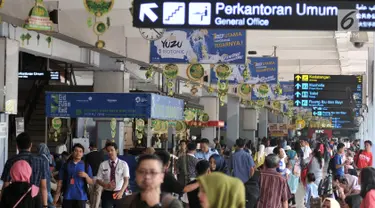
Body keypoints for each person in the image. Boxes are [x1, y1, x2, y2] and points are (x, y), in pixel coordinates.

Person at [1, 132, 48, 208]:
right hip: (34, 200)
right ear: (31, 145)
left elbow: (5, 185)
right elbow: (43, 187)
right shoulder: (40, 161)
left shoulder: (11, 161)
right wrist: (45, 205)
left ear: (17, 146)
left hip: (14, 200)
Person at [53, 143, 93, 208]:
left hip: (81, 197)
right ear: (72, 152)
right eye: (76, 151)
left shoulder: (86, 166)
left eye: (80, 151)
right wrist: (56, 196)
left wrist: (86, 176)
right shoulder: (66, 165)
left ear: (82, 154)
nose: (78, 153)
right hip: (68, 196)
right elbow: (60, 182)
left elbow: (91, 182)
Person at [96, 142, 130, 208]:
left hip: (119, 193)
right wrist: (105, 185)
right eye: (108, 151)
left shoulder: (123, 164)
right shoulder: (103, 164)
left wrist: (121, 192)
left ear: (116, 150)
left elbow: (126, 180)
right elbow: (98, 179)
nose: (110, 152)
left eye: (112, 150)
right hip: (107, 194)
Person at [85, 142, 105, 208]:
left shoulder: (88, 156)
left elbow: (86, 167)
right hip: (100, 178)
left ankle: (91, 206)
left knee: (91, 194)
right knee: (98, 194)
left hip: (91, 178)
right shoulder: (101, 155)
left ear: (90, 147)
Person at [37, 143, 55, 208]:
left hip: (42, 179)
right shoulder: (49, 156)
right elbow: (52, 166)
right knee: (47, 194)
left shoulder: (39, 158)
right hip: (48, 178)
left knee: (47, 195)